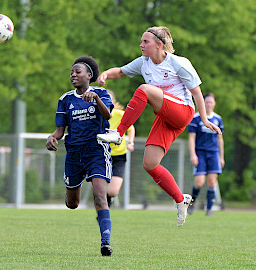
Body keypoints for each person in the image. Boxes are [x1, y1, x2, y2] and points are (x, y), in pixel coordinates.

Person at [96, 26, 222, 227]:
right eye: (141, 41)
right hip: (165, 116)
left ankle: (118, 133)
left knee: (144, 90)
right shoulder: (143, 63)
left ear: (159, 45)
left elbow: (197, 92)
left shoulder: (179, 63)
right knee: (150, 163)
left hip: (182, 112)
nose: (141, 45)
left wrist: (204, 119)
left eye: (145, 42)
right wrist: (106, 74)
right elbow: (120, 71)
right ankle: (181, 199)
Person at [46, 56, 115, 256]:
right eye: (71, 72)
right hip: (74, 153)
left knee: (100, 196)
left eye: (77, 72)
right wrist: (52, 137)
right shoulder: (65, 99)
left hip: (96, 151)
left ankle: (106, 243)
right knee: (72, 204)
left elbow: (108, 116)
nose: (73, 75)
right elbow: (60, 130)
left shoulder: (101, 93)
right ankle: (71, 190)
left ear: (89, 75)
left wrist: (95, 98)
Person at [187, 93, 224, 217]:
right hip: (200, 153)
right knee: (199, 182)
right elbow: (191, 138)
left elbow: (220, 139)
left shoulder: (218, 119)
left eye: (211, 102)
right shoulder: (196, 118)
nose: (208, 104)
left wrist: (221, 157)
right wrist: (193, 155)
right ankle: (192, 203)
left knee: (212, 182)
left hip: (213, 153)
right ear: (202, 103)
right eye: (206, 102)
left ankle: (209, 209)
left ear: (214, 104)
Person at [106, 90, 135, 208]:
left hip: (119, 156)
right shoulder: (95, 117)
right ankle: (102, 209)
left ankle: (106, 200)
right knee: (99, 188)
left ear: (113, 102)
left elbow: (131, 128)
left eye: (109, 100)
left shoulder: (120, 115)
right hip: (101, 156)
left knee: (113, 192)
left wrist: (131, 142)